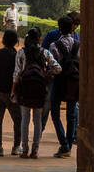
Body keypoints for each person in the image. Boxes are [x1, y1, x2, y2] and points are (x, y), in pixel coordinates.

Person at [12, 27, 61, 157]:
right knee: (38, 120)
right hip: (40, 89)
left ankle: (25, 149)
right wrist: (46, 73)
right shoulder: (44, 52)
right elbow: (58, 68)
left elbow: (16, 74)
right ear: (39, 39)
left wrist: (13, 91)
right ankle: (35, 150)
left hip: (25, 89)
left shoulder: (22, 52)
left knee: (25, 119)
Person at [0, 27, 21, 156]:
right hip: (11, 91)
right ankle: (16, 146)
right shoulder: (16, 56)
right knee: (18, 119)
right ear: (16, 41)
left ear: (3, 40)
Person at [50, 16, 80, 157]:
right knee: (71, 114)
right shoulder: (78, 44)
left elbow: (53, 64)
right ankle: (68, 143)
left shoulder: (54, 45)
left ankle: (64, 144)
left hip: (59, 81)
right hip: (74, 81)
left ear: (59, 28)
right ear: (73, 28)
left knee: (55, 113)